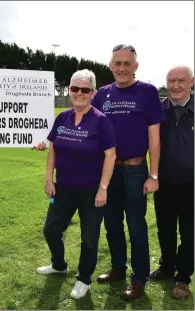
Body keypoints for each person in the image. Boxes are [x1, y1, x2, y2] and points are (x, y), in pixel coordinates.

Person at [91, 44, 165, 300]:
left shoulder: (147, 92)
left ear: (136, 65)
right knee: (112, 225)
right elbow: (90, 130)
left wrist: (153, 175)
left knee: (136, 227)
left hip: (135, 171)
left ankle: (138, 278)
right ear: (110, 66)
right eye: (117, 63)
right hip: (109, 172)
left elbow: (154, 139)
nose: (122, 68)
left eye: (127, 63)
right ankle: (119, 269)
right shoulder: (102, 94)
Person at [36, 69, 117, 300]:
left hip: (91, 191)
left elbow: (110, 155)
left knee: (89, 238)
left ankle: (83, 279)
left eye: (85, 89)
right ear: (69, 90)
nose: (79, 93)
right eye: (75, 88)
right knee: (51, 230)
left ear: (92, 93)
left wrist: (103, 188)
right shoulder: (62, 117)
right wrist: (48, 179)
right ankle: (59, 265)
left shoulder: (101, 121)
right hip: (63, 188)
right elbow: (53, 148)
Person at [148, 66, 194, 299]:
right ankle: (167, 267)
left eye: (181, 81)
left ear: (191, 82)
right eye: (171, 81)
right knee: (165, 229)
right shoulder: (158, 109)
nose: (175, 86)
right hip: (163, 182)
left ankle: (182, 278)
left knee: (189, 234)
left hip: (192, 185)